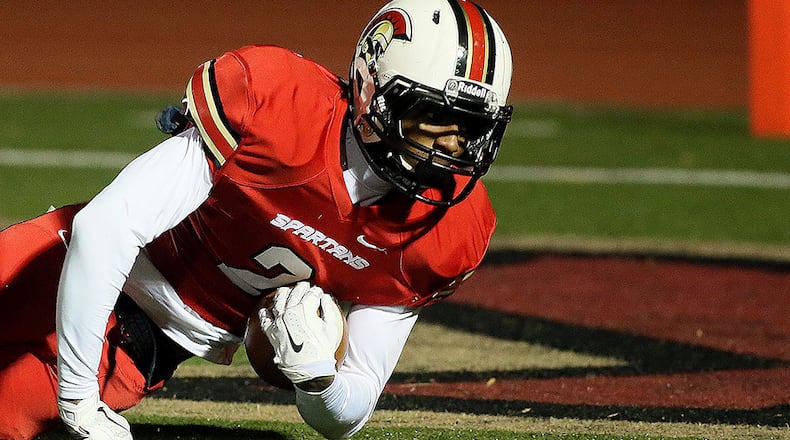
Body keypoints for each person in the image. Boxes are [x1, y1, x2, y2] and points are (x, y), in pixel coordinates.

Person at [0, 0, 513, 438]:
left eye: (472, 128)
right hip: (65, 264)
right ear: (370, 86)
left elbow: (351, 410)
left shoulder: (446, 233)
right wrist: (79, 399)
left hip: (140, 349)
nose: (453, 144)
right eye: (433, 115)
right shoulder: (280, 102)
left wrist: (318, 381)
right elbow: (105, 228)